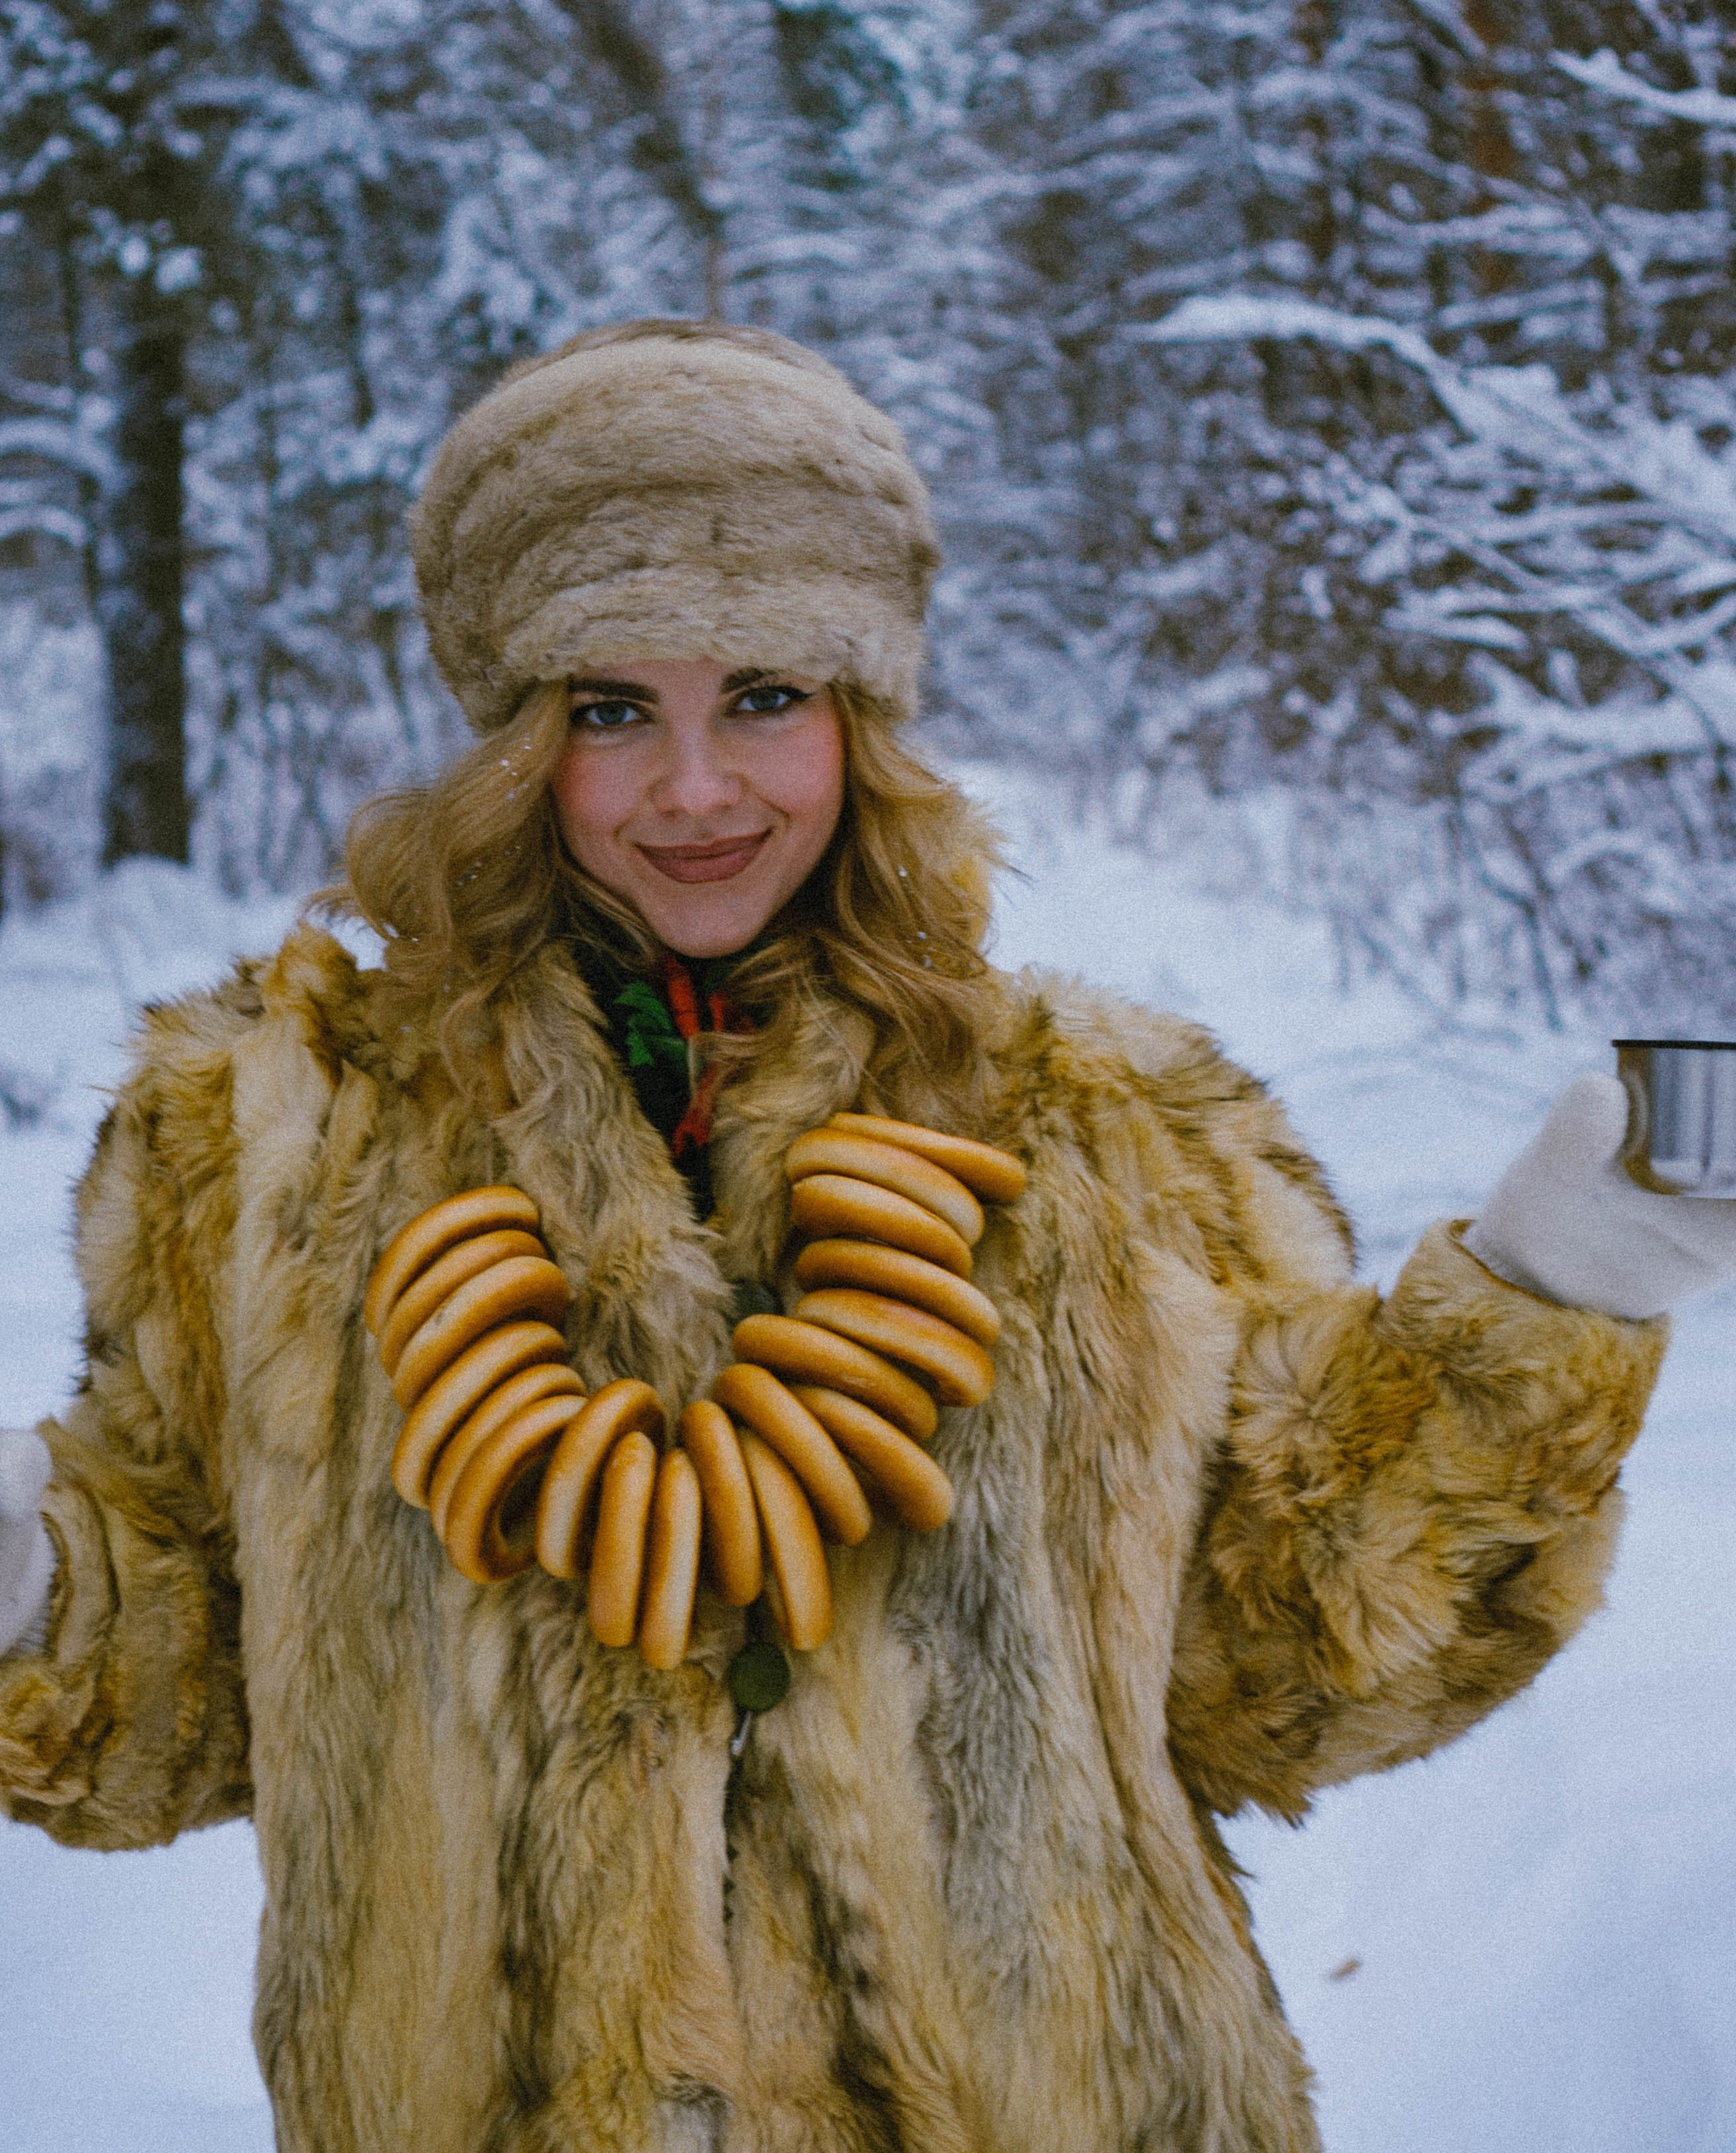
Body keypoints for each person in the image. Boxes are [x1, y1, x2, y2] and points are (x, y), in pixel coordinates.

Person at [0, 317, 1730, 2153]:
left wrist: (1569, 1276)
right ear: (516, 738)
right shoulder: (267, 1149)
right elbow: (175, 1688)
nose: (693, 790)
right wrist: (31, 1584)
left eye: (763, 695)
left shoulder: (1108, 1133)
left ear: (861, 715)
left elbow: (1290, 1668)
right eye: (610, 708)